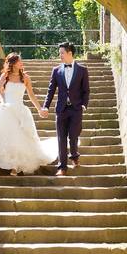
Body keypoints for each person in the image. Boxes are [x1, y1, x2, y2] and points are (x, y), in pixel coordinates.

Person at [0, 53, 58, 175]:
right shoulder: (4, 76)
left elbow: (31, 95)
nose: (21, 63)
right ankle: (4, 162)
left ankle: (16, 166)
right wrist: (3, 102)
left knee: (20, 137)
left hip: (20, 110)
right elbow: (0, 93)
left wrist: (40, 109)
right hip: (6, 108)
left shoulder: (25, 78)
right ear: (13, 63)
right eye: (19, 61)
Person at [40, 42, 90, 176]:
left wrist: (84, 104)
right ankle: (62, 167)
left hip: (76, 109)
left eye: (62, 52)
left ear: (69, 53)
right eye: (60, 53)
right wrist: (46, 106)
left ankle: (74, 155)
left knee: (73, 135)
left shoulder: (82, 70)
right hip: (61, 109)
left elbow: (86, 90)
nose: (60, 55)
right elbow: (51, 90)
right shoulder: (56, 70)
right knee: (61, 138)